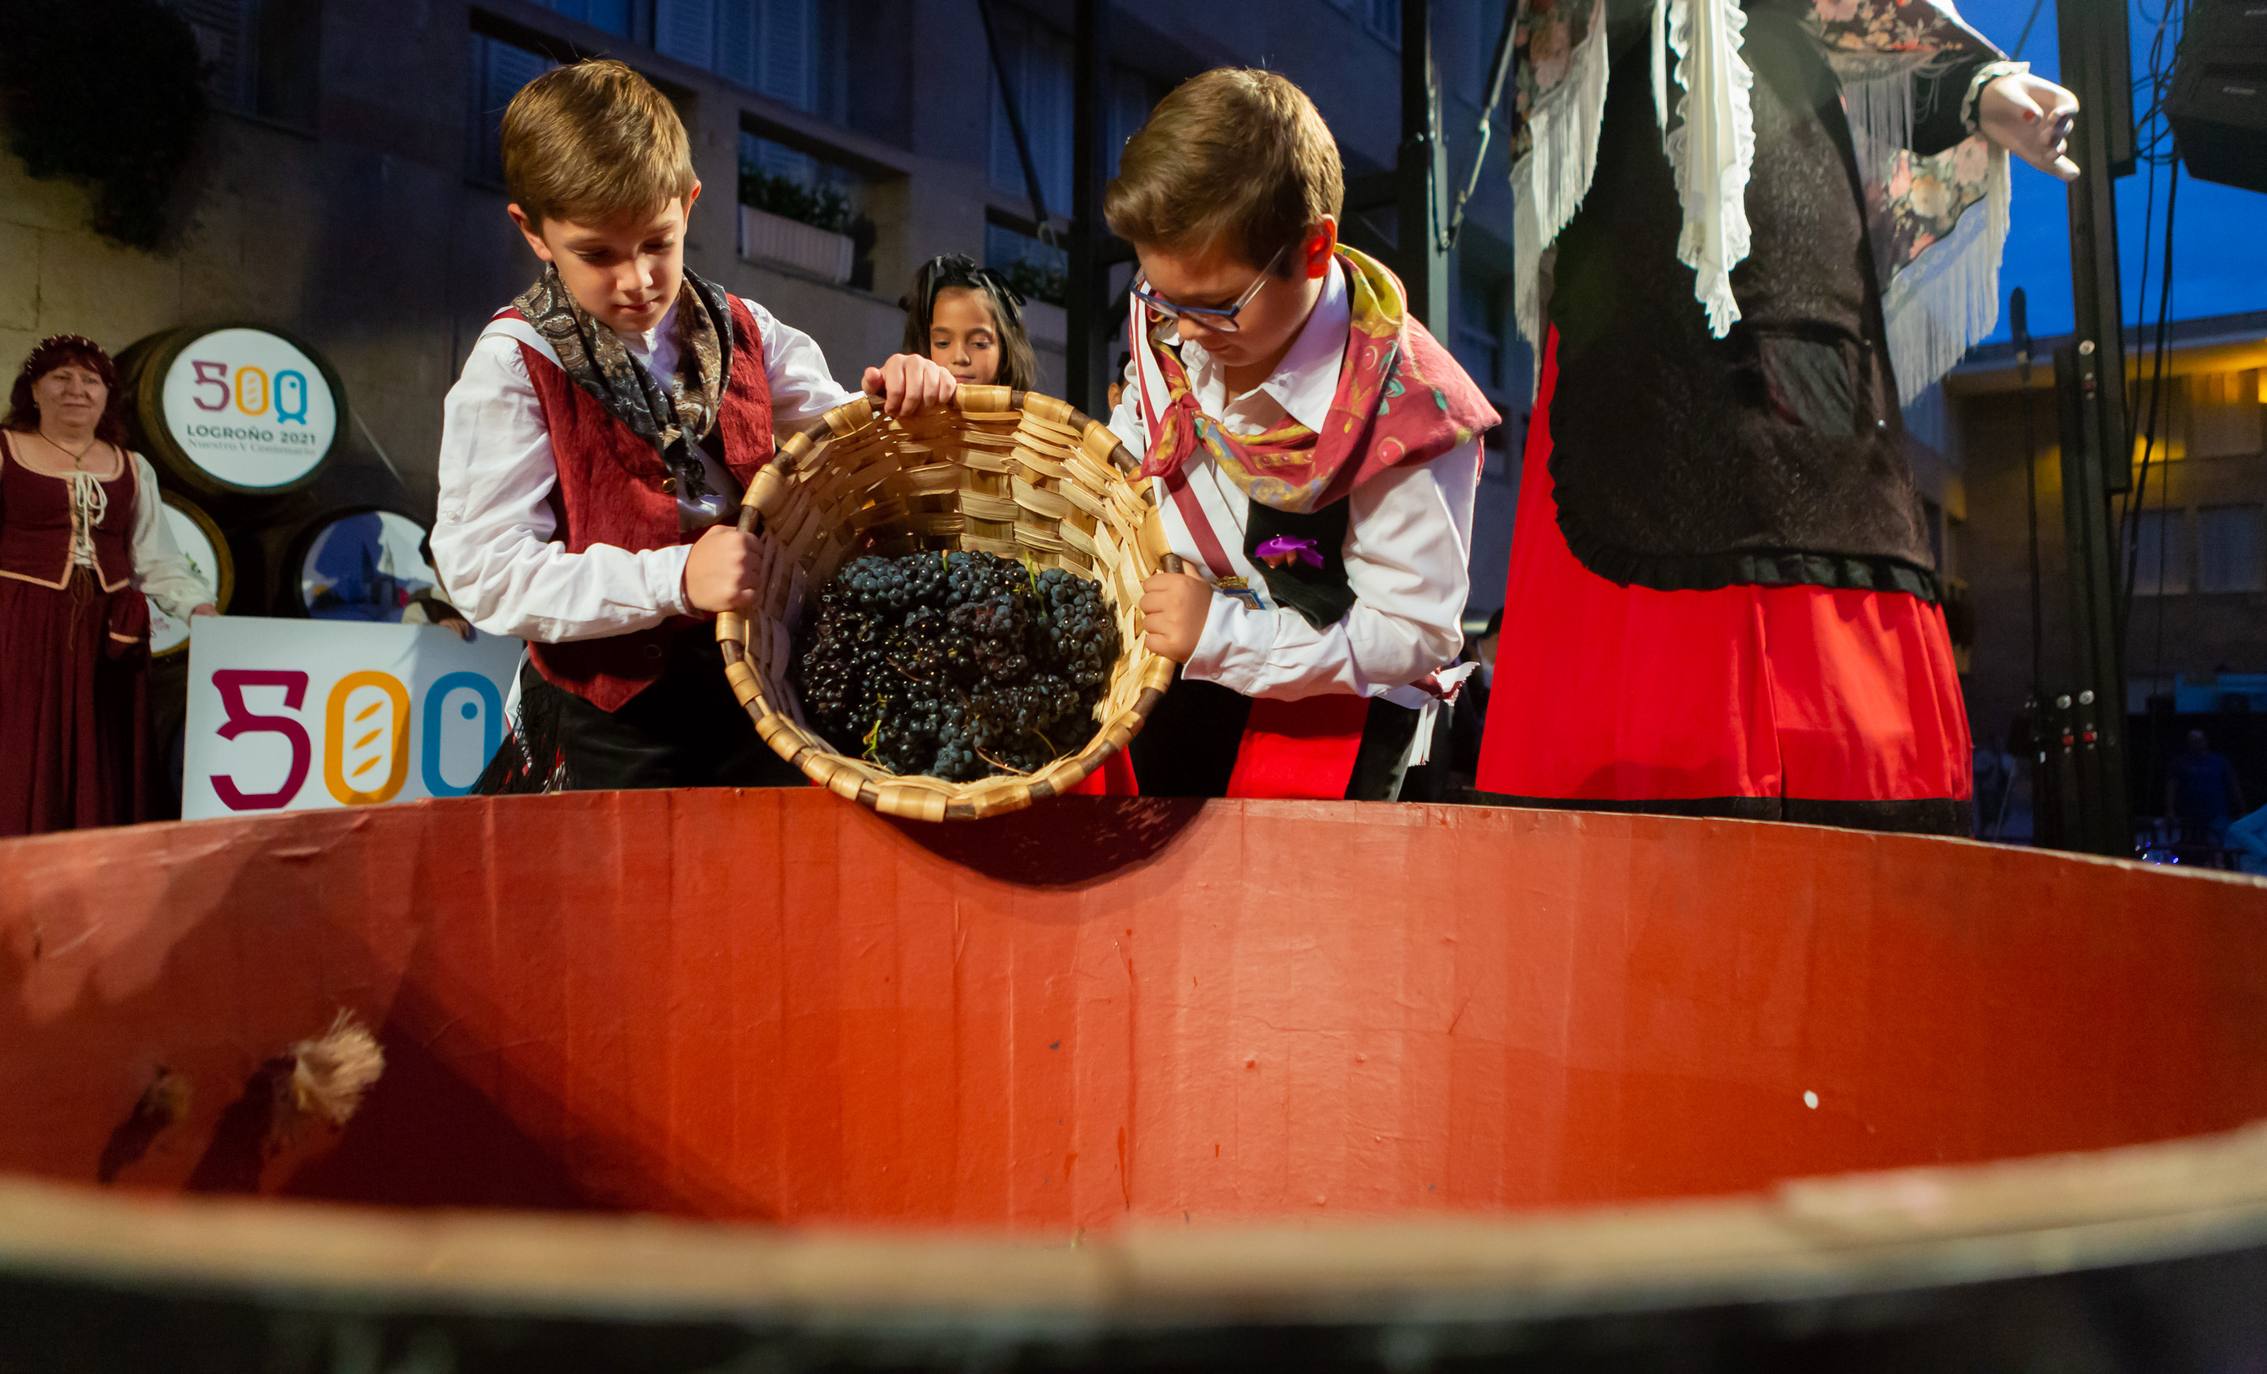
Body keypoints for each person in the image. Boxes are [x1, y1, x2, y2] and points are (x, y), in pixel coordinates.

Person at [1478, 0, 2080, 834]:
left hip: (1781, 188)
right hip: (1625, 216)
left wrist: (1974, 85)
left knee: (1811, 495)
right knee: (1625, 475)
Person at [431, 60, 956, 795]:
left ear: (689, 202)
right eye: (597, 254)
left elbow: (842, 436)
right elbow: (482, 573)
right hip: (615, 718)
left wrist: (899, 396)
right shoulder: (515, 365)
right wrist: (675, 577)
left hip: (761, 681)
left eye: (657, 242)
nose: (637, 279)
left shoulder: (745, 328)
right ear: (533, 232)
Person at [1105, 68, 1498, 801]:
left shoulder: (1411, 415)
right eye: (1161, 296)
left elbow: (1411, 636)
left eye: (1218, 305)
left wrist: (1221, 635)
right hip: (1174, 673)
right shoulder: (1176, 314)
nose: (1184, 332)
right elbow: (1140, 439)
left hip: (1329, 718)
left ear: (1313, 250)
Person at [2, 334, 216, 836]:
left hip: (105, 633)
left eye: (90, 380)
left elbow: (156, 556)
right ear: (34, 390)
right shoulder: (8, 450)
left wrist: (197, 609)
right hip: (21, 624)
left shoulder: (133, 467)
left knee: (100, 745)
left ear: (106, 395)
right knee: (18, 740)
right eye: (61, 377)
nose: (76, 389)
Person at [900, 254, 1037, 391]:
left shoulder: (1033, 412)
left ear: (1005, 351)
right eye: (942, 343)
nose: (960, 357)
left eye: (979, 343)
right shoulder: (895, 410)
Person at [2168, 729, 2244, 856]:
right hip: (2189, 816)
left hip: (2217, 814)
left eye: (2199, 740)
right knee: (2192, 851)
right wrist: (2169, 810)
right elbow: (2171, 786)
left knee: (2221, 848)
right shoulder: (2180, 763)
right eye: (2192, 741)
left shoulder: (2219, 761)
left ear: (2205, 741)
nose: (2196, 744)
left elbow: (2233, 785)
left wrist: (2241, 808)